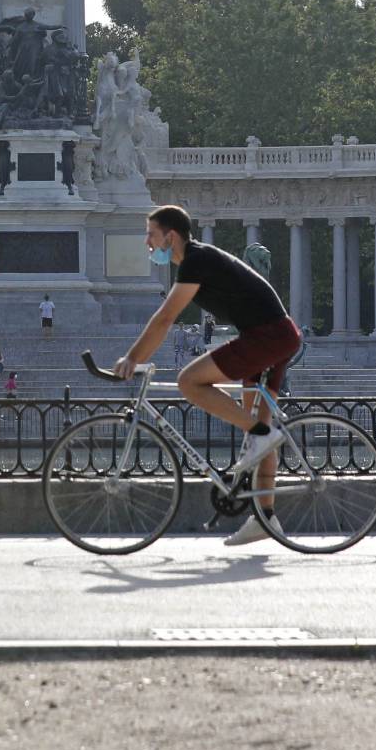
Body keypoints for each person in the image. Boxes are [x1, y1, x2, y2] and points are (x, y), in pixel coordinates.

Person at [113, 205, 301, 547]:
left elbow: (165, 318)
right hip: (274, 335)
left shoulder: (195, 261)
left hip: (268, 337)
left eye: (151, 235)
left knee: (190, 381)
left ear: (171, 236)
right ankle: (266, 517)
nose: (147, 243)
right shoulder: (197, 260)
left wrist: (133, 357)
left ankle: (261, 434)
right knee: (262, 428)